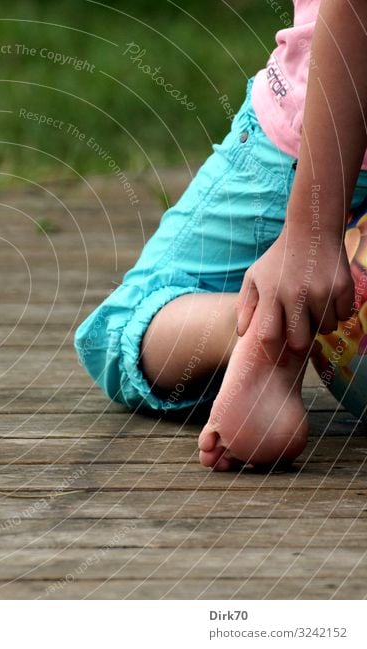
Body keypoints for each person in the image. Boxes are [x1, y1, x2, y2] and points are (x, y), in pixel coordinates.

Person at [74, 0, 367, 470]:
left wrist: (311, 233)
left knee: (120, 329)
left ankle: (269, 325)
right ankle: (279, 313)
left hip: (310, 146)